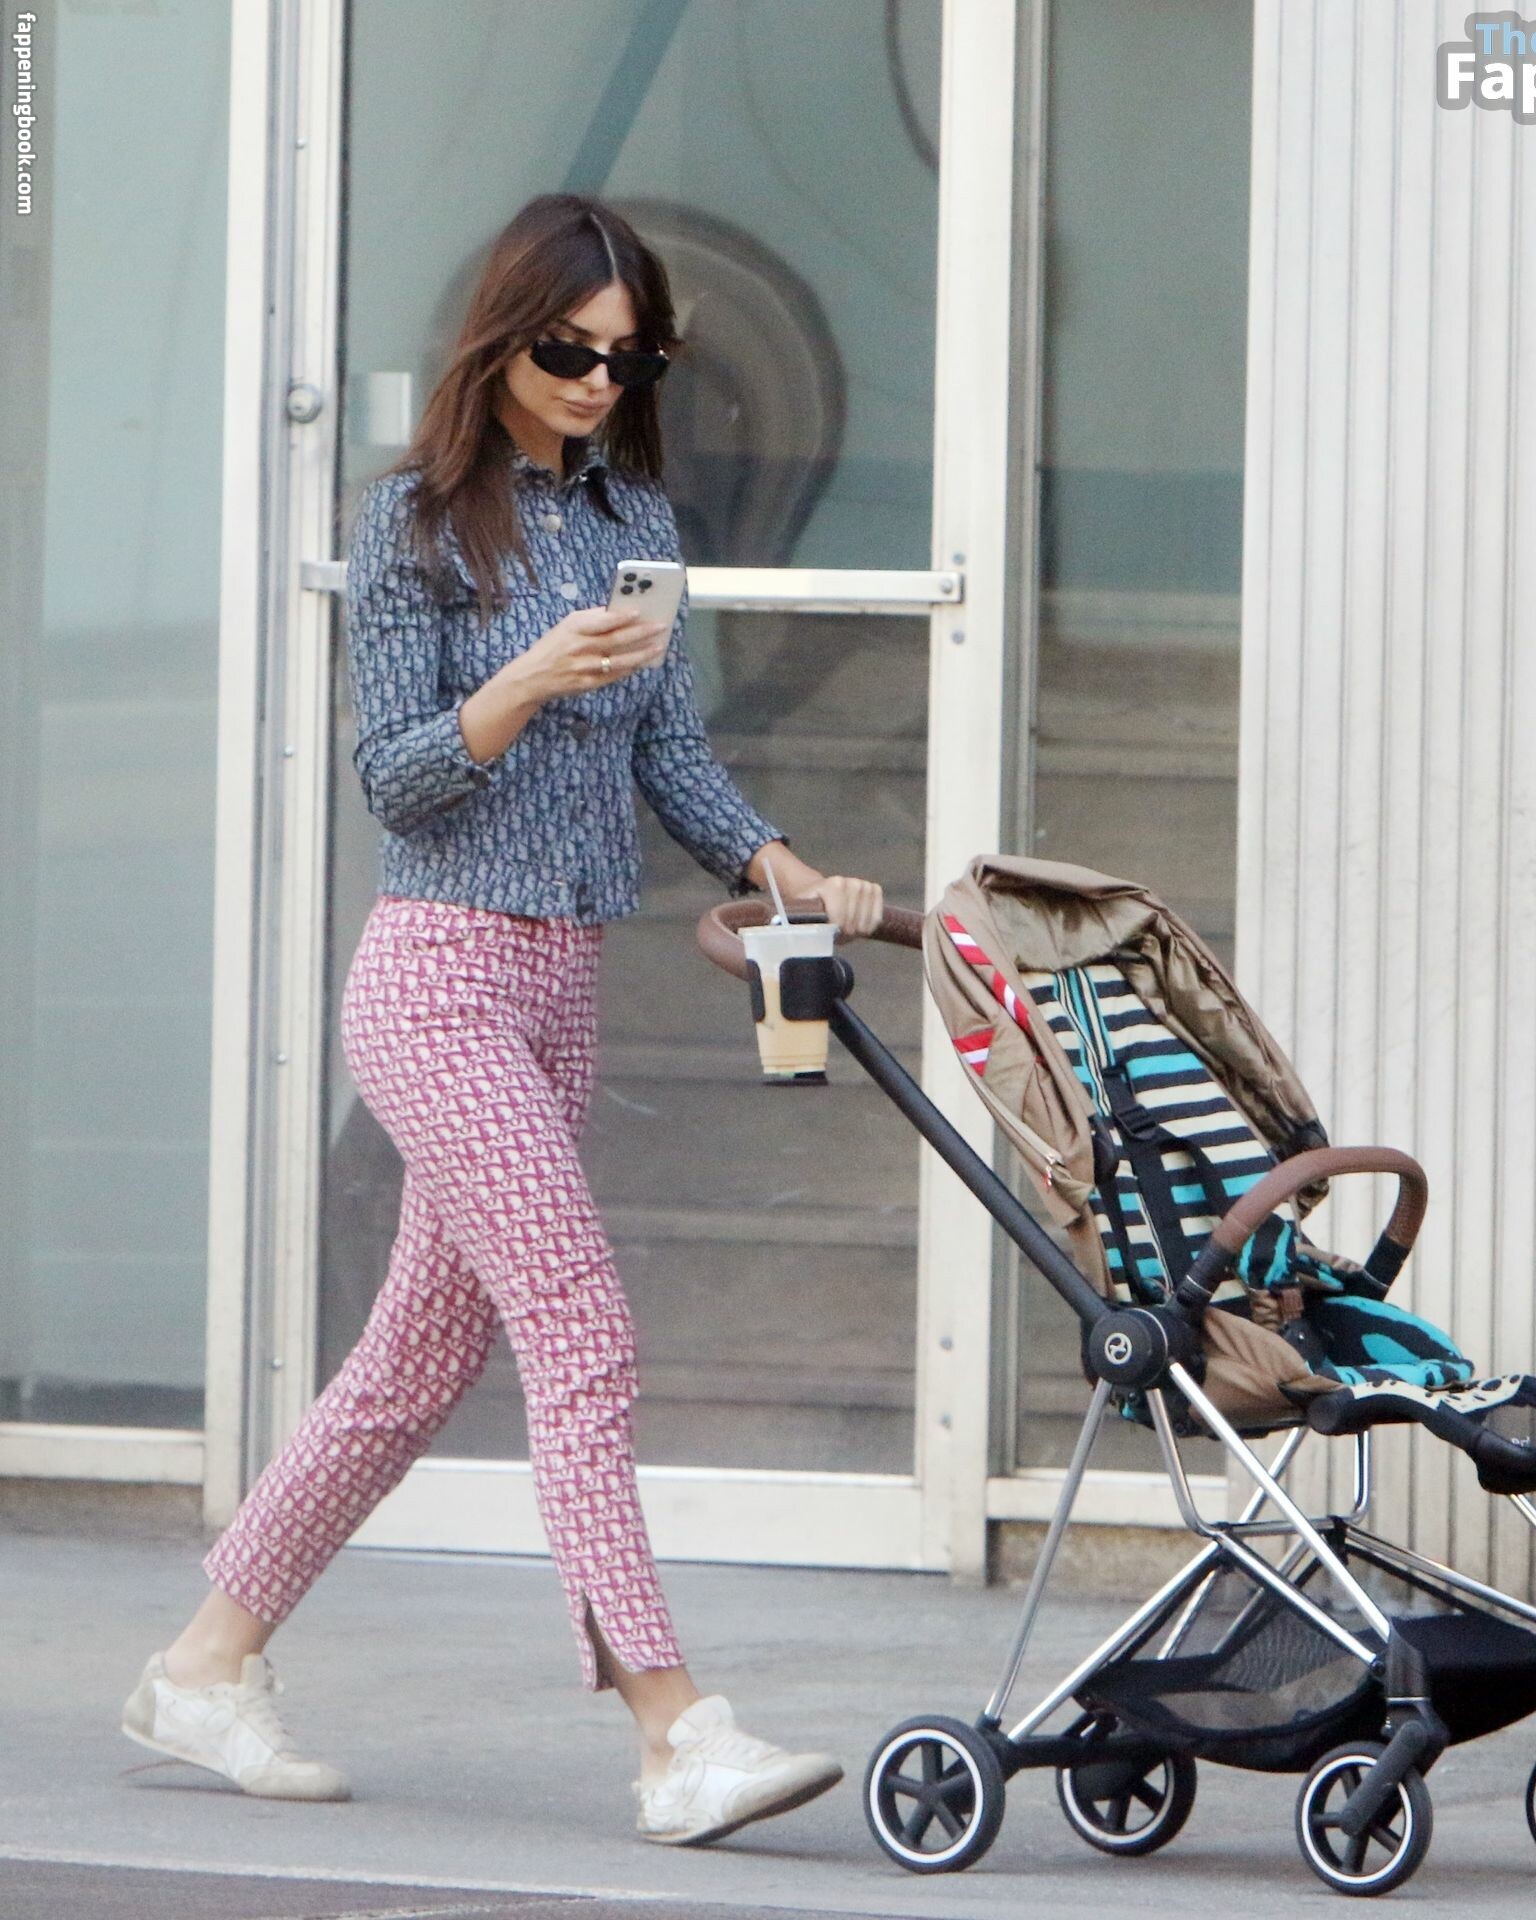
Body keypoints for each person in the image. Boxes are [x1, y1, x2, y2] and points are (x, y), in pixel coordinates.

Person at [122, 192, 884, 1847]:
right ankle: (674, 1731)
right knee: (581, 1327)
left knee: (411, 1368)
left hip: (559, 989)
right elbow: (396, 779)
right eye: (569, 351)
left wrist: (789, 870)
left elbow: (672, 755)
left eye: (632, 358)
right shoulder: (411, 523)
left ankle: (203, 1665)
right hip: (438, 978)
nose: (600, 381)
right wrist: (533, 675)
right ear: (503, 339)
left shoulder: (638, 520)